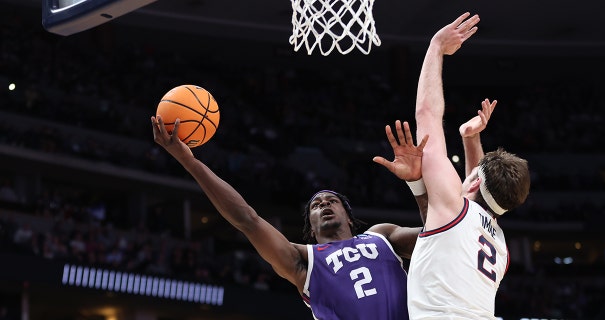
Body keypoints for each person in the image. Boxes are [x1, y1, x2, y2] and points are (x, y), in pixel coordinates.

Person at [151, 115, 427, 320]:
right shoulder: (304, 260)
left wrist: (417, 185)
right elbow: (247, 219)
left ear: (350, 218)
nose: (324, 205)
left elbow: (440, 235)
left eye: (332, 201)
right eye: (316, 205)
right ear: (311, 228)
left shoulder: (381, 236)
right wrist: (190, 162)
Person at [407, 12, 531, 319]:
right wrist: (469, 139)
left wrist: (436, 47)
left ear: (474, 182)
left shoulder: (454, 208)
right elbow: (477, 198)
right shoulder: (500, 247)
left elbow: (427, 115)